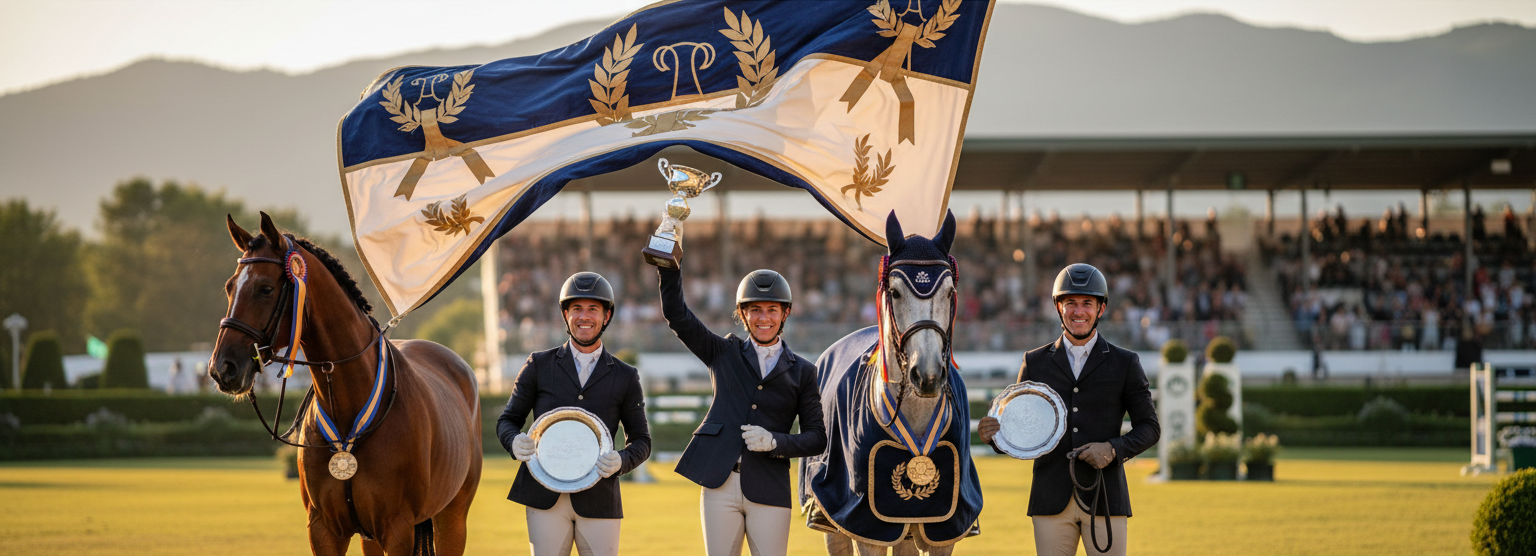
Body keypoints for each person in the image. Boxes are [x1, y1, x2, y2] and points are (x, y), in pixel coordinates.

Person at [978, 263, 1159, 556]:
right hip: (1050, 498)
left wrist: (1113, 449)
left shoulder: (1125, 363)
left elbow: (1150, 428)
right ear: (1058, 307)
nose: (1079, 311)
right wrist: (996, 437)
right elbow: (1021, 431)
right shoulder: (1034, 362)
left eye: (1087, 303)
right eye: (1070, 303)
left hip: (1105, 497)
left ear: (1101, 309)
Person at [657, 264, 826, 556]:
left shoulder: (803, 372)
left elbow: (817, 437)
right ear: (743, 314)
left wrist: (775, 441)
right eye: (755, 310)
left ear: (786, 314)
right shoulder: (722, 352)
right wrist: (668, 265)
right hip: (719, 485)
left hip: (769, 485)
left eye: (772, 310)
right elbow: (677, 315)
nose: (764, 318)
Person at [497, 271, 651, 556]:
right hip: (543, 496)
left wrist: (622, 460)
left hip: (599, 496)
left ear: (606, 317)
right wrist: (512, 440)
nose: (584, 316)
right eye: (576, 308)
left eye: (593, 309)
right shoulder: (538, 365)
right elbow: (508, 421)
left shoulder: (625, 376)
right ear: (566, 315)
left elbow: (641, 441)